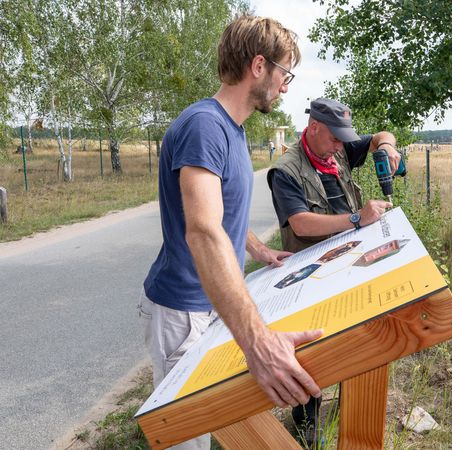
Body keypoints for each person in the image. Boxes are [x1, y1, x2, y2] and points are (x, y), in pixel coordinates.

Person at [139, 15, 322, 450]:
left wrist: (260, 251)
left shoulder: (233, 131)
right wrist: (258, 343)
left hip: (211, 306)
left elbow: (221, 219)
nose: (286, 85)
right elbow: (203, 231)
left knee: (225, 422)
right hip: (182, 313)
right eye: (285, 73)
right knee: (190, 442)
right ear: (259, 66)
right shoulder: (205, 125)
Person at [267, 97, 399, 444]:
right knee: (309, 350)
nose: (341, 145)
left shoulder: (337, 148)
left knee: (354, 337)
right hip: (312, 270)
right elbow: (300, 222)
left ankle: (352, 407)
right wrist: (357, 218)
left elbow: (377, 137)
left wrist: (386, 145)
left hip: (351, 259)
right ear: (313, 128)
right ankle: (306, 418)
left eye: (344, 138)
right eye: (335, 138)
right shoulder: (286, 171)